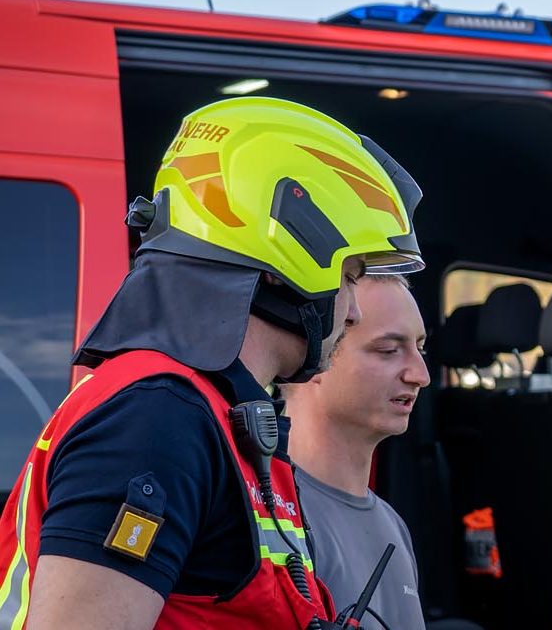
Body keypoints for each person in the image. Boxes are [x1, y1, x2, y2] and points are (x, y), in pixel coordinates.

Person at [0, 96, 424, 629]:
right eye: (351, 275)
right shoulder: (155, 421)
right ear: (289, 256)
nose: (355, 308)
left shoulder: (219, 419)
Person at [282, 274, 430, 628]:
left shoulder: (393, 525)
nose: (420, 374)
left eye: (420, 349)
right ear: (316, 352)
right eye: (388, 350)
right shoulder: (267, 514)